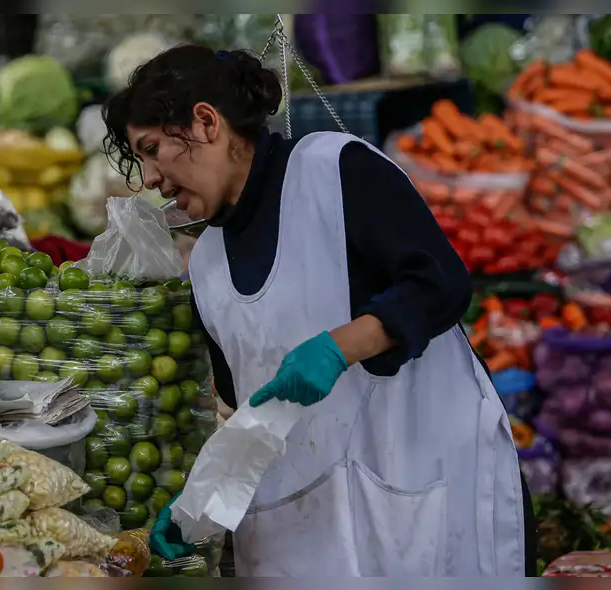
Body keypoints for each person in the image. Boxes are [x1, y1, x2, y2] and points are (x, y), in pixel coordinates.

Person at [101, 45, 533, 577]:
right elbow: (256, 414)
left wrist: (338, 347)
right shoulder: (209, 264)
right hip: (317, 531)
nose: (150, 179)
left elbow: (439, 282)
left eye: (152, 150)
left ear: (207, 123)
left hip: (430, 495)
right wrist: (204, 500)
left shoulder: (333, 169)